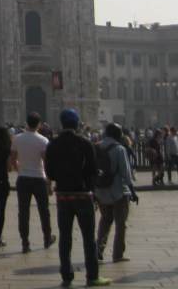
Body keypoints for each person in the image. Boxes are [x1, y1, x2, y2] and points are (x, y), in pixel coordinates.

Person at [45, 108, 109, 288]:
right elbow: (92, 169)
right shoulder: (84, 143)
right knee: (89, 237)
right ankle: (92, 276)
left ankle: (66, 275)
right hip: (82, 194)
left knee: (65, 237)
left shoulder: (53, 144)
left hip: (63, 195)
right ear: (76, 123)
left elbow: (49, 172)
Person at [11, 111, 55, 253]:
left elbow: (12, 159)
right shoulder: (43, 140)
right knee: (44, 210)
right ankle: (47, 238)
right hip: (38, 178)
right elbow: (46, 163)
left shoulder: (17, 138)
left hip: (23, 178)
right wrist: (49, 182)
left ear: (26, 123)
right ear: (39, 124)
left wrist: (20, 170)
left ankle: (25, 242)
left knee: (23, 211)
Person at [94, 122, 137, 263]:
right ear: (117, 134)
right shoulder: (119, 149)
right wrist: (133, 191)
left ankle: (98, 250)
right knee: (120, 223)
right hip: (119, 191)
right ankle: (118, 254)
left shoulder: (97, 147)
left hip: (101, 190)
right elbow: (126, 173)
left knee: (105, 220)